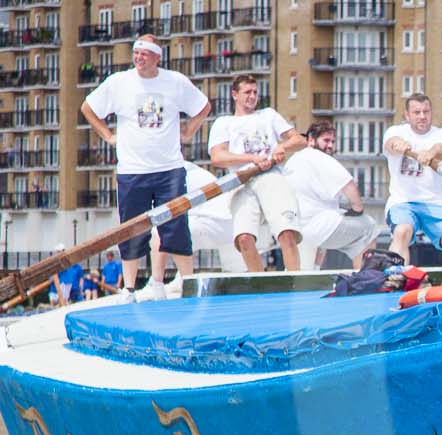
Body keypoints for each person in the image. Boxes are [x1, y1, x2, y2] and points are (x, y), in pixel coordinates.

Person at [80, 35, 211, 300]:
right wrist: (107, 135)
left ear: (157, 58)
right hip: (132, 170)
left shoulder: (174, 81)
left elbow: (203, 106)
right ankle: (129, 289)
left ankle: (189, 284)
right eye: (136, 53)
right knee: (131, 229)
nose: (139, 58)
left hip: (169, 169)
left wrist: (189, 132)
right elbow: (88, 108)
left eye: (145, 54)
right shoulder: (119, 82)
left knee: (176, 226)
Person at [208, 75, 306, 272]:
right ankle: (260, 281)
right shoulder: (224, 123)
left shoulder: (268, 115)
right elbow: (217, 157)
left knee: (286, 232)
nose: (252, 97)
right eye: (247, 92)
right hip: (242, 180)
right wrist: (250, 159)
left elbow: (300, 140)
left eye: (255, 92)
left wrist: (281, 147)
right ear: (235, 95)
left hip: (270, 176)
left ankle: (295, 279)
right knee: (244, 238)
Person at [382, 92, 442, 267]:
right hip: (403, 201)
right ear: (407, 115)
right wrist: (400, 145)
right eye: (417, 112)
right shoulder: (395, 131)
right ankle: (396, 279)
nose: (422, 116)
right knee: (402, 231)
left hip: (435, 203)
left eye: (426, 112)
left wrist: (430, 154)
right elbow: (391, 143)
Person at [288, 122, 377, 269]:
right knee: (369, 227)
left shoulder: (294, 160)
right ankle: (364, 279)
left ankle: (315, 275)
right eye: (326, 141)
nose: (330, 146)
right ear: (311, 139)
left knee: (329, 228)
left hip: (297, 227)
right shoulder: (319, 156)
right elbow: (349, 185)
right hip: (317, 225)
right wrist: (357, 209)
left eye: (333, 141)